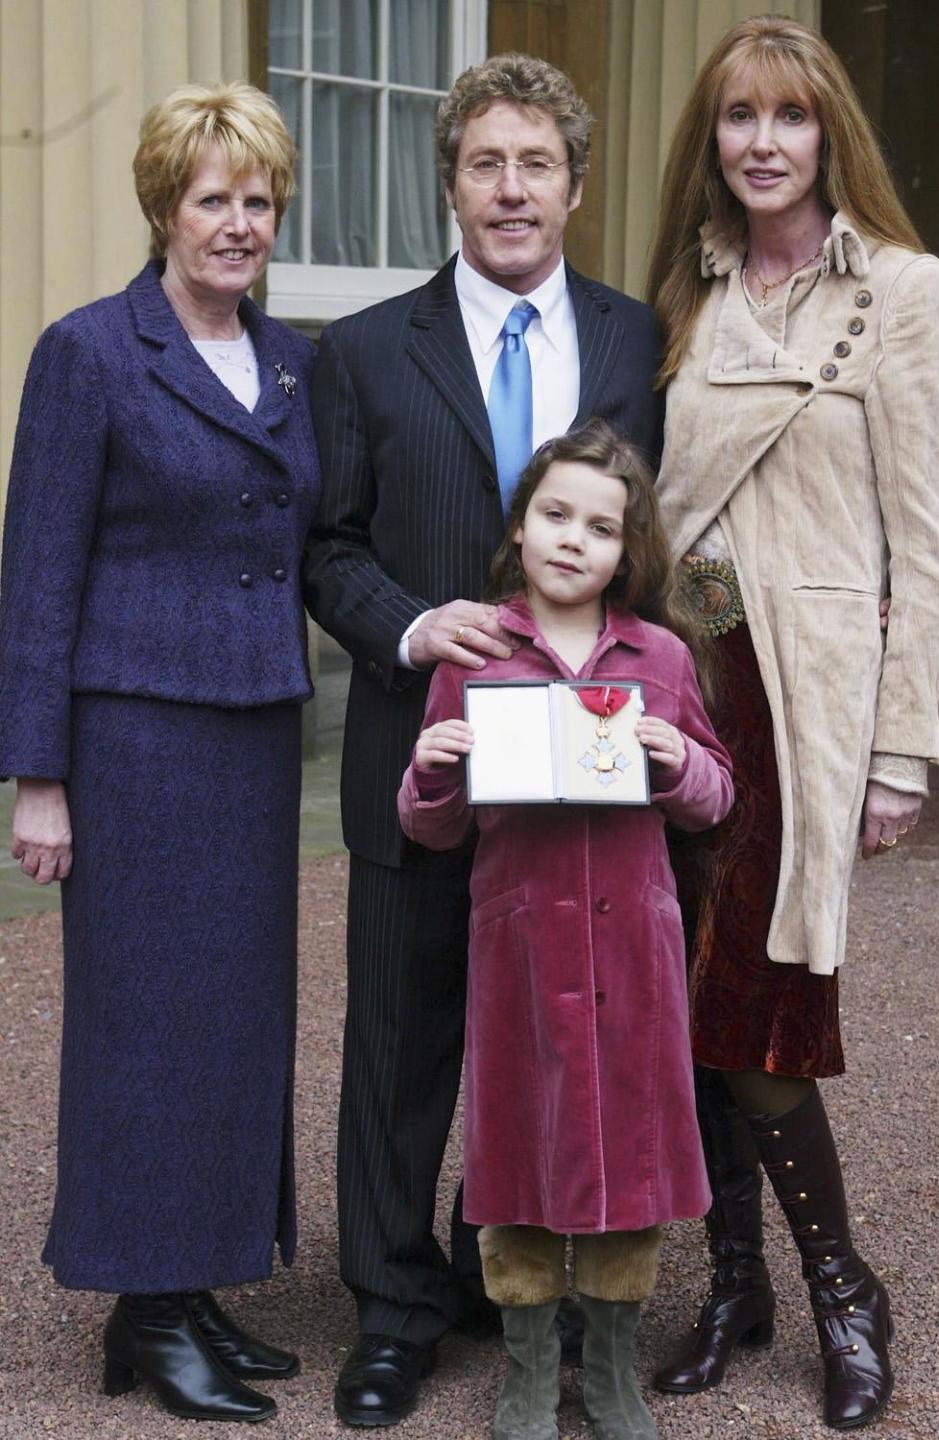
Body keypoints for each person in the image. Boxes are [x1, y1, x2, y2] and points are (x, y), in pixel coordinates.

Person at [302, 52, 664, 1427]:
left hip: (584, 780)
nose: (510, 190)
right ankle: (395, 1311)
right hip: (424, 753)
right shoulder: (365, 350)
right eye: (482, 163)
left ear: (575, 183)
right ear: (447, 181)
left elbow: (655, 535)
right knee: (400, 1045)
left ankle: (533, 1290)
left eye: (536, 164)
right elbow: (327, 548)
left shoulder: (635, 343)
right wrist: (409, 626)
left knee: (564, 1042)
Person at [644, 16, 939, 1431]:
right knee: (686, 990)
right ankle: (737, 1286)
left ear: (830, 131)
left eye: (788, 115)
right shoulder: (686, 297)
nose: (761, 142)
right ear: (709, 139)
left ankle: (846, 1288)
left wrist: (905, 749)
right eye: (736, 118)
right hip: (684, 680)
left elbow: (933, 542)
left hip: (807, 697)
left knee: (763, 997)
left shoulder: (903, 290)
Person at [0, 84, 321, 1424]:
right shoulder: (89, 353)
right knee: (143, 1026)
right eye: (213, 199)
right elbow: (39, 574)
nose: (238, 224)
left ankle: (191, 1290)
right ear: (162, 207)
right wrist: (40, 774)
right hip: (132, 739)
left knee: (236, 1025)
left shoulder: (289, 357)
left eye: (257, 201)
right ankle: (141, 1302)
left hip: (254, 736)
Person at [397, 421, 733, 1440]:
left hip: (633, 950)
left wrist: (675, 755)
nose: (572, 540)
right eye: (554, 515)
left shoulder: (662, 656)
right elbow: (430, 823)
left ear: (628, 549)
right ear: (521, 524)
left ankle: (616, 1368)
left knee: (629, 1152)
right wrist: (434, 767)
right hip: (520, 952)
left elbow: (716, 802)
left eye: (599, 525)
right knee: (516, 1151)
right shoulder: (477, 652)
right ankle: (530, 1372)